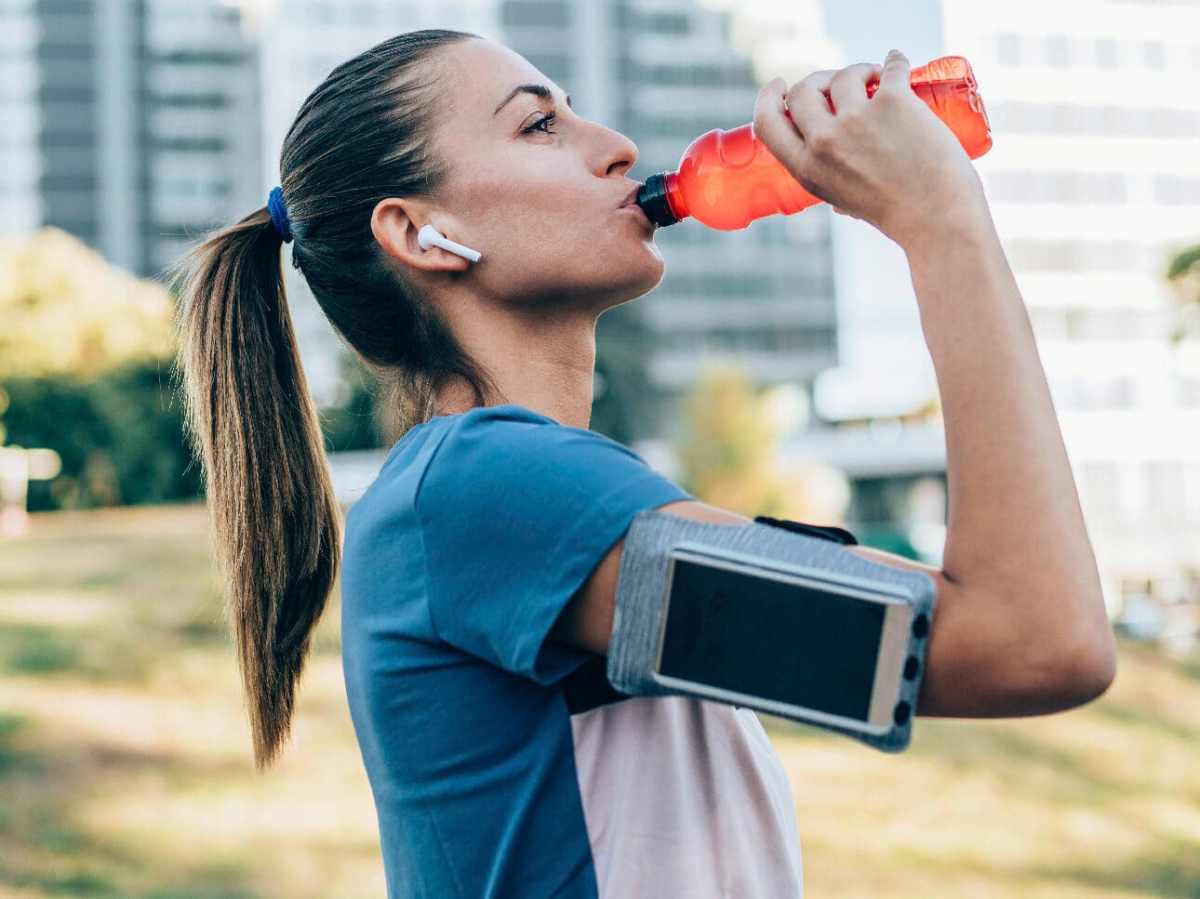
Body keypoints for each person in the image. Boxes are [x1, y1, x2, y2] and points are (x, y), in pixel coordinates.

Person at [168, 29, 1117, 899]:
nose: (614, 143)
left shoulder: (523, 497)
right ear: (421, 234)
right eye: (541, 124)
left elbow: (996, 632)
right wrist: (940, 218)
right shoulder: (482, 493)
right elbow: (1031, 642)